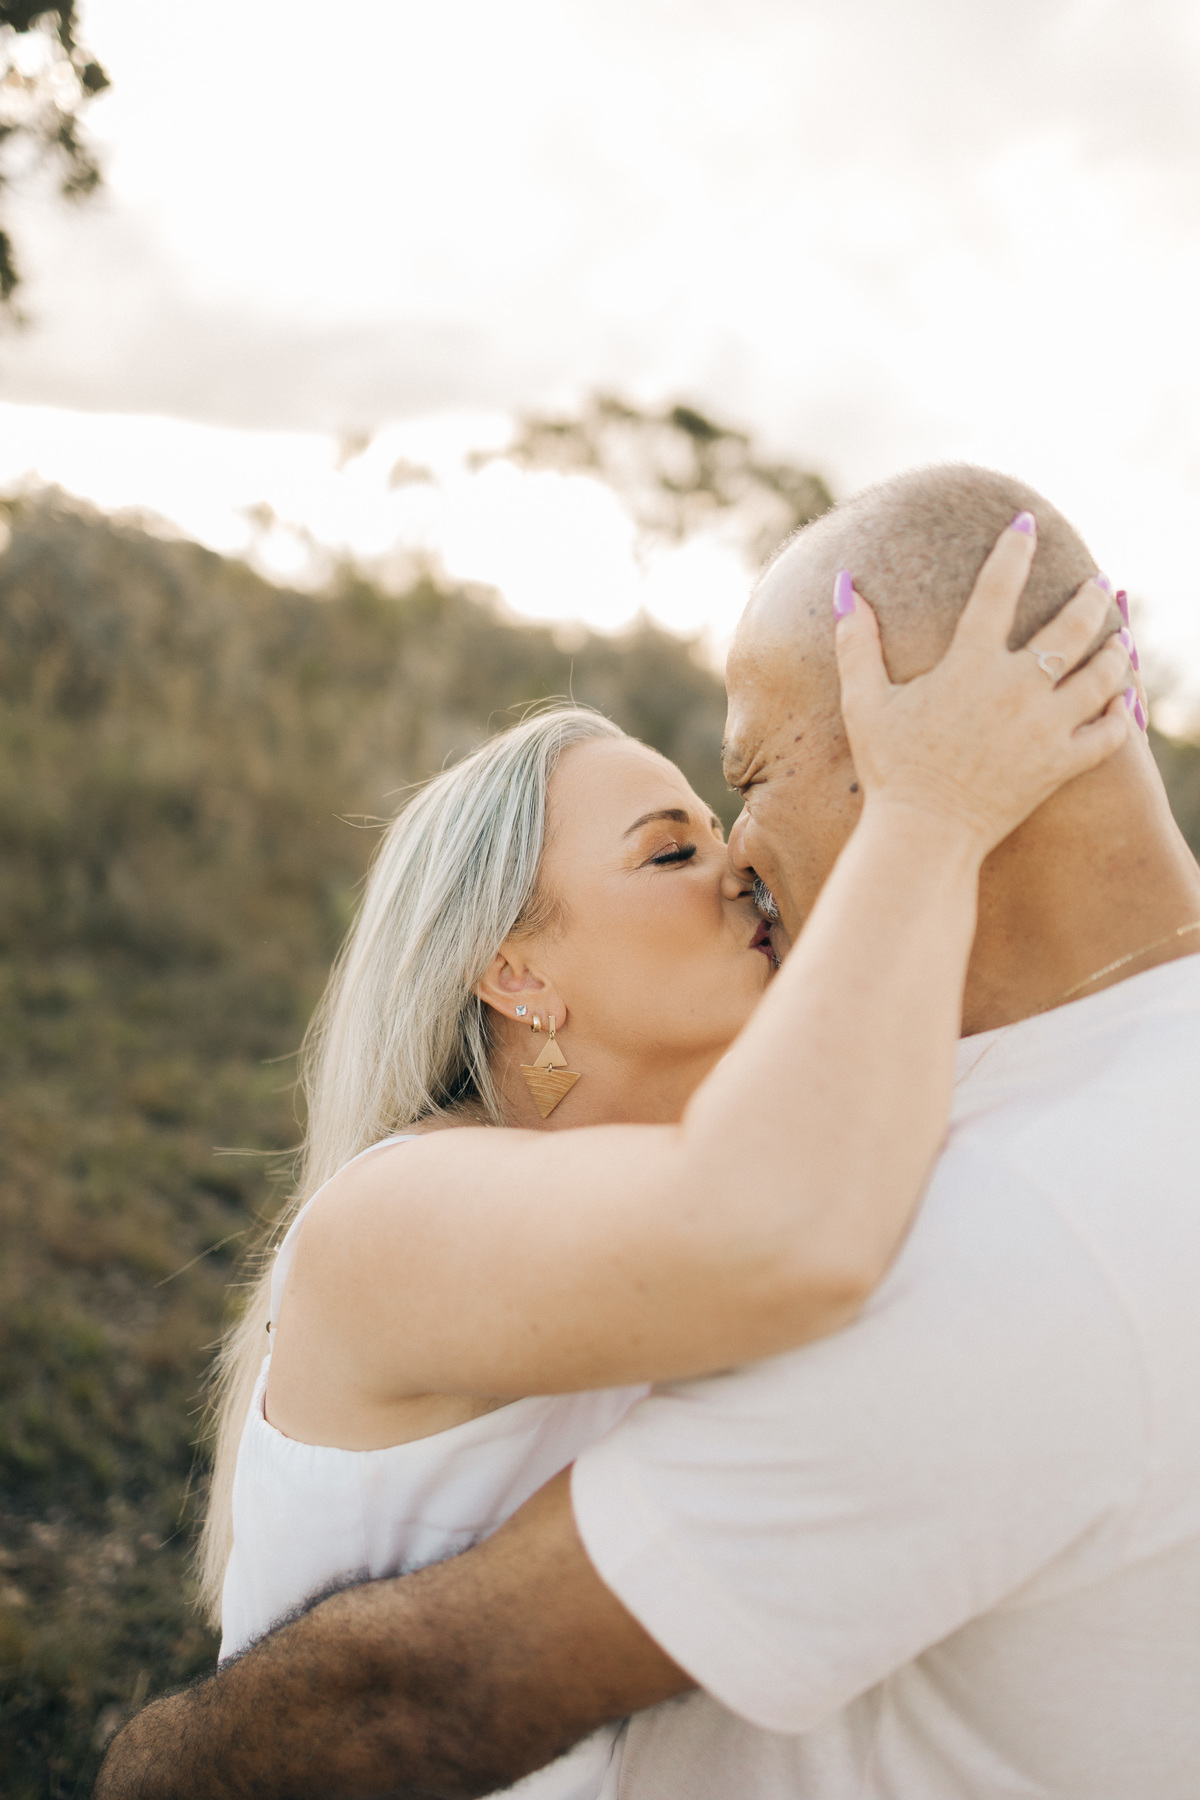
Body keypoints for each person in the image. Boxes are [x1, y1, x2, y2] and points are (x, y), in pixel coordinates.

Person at [97, 465, 1197, 1800]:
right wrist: (931, 814)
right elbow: (769, 1222)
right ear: (513, 970)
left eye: (738, 796)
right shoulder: (392, 1218)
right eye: (672, 851)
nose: (740, 862)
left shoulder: (943, 1203)